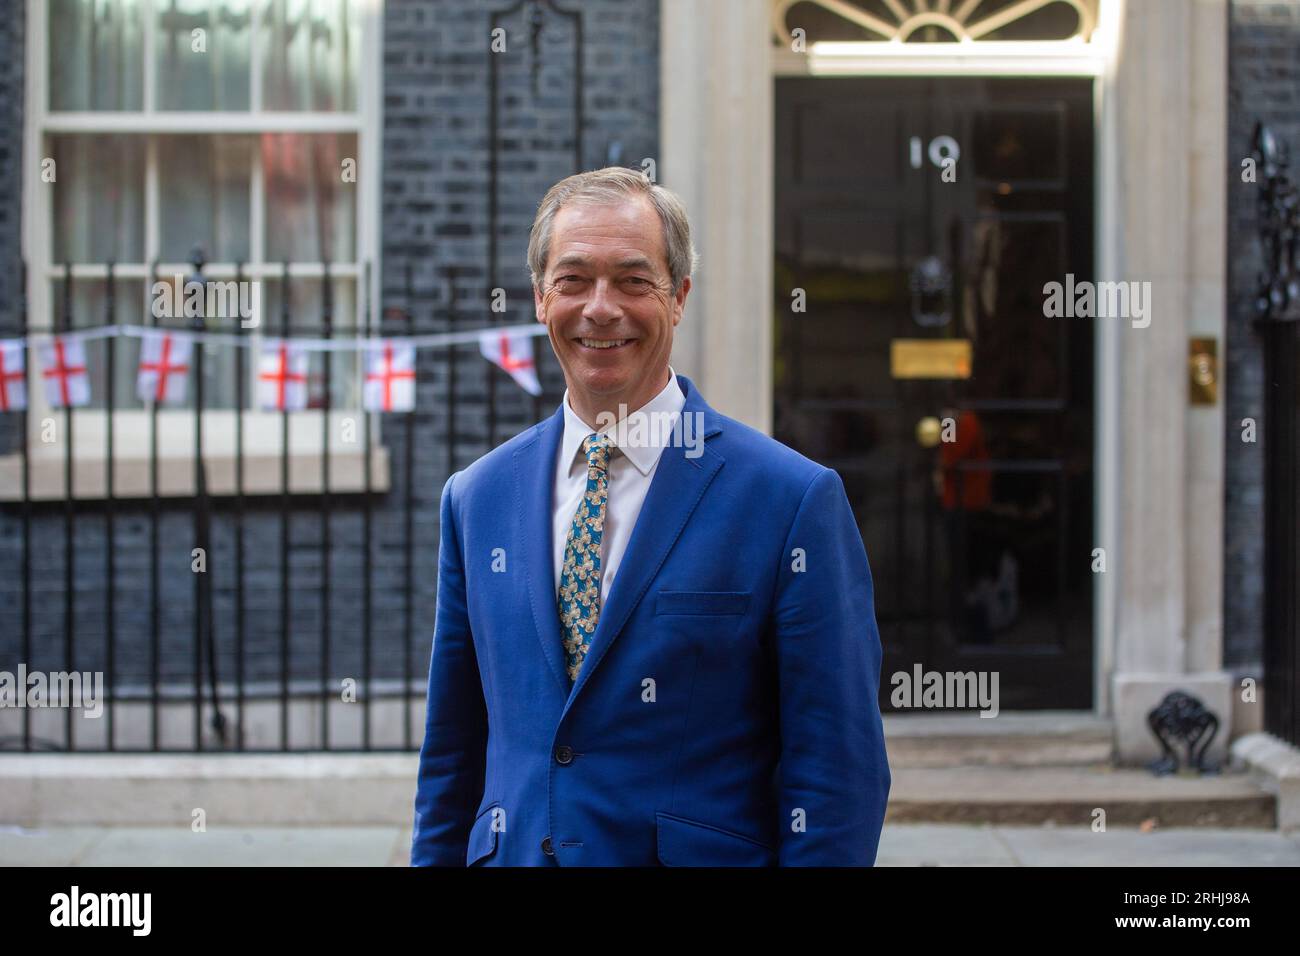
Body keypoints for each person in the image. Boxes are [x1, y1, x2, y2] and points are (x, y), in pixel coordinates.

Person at [410, 166, 890, 866]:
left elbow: (838, 774)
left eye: (634, 281)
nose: (601, 308)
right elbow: (451, 757)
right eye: (574, 280)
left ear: (679, 298)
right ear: (541, 298)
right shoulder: (476, 498)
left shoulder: (790, 501)